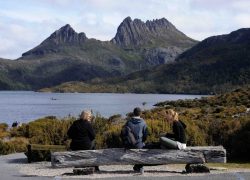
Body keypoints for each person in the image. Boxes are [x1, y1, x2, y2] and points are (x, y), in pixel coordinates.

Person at [121, 107, 148, 172]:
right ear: (140, 113)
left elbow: (123, 133)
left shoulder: (128, 122)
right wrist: (142, 141)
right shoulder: (143, 123)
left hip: (128, 144)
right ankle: (139, 166)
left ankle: (137, 166)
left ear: (133, 113)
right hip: (138, 145)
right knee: (143, 147)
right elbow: (145, 135)